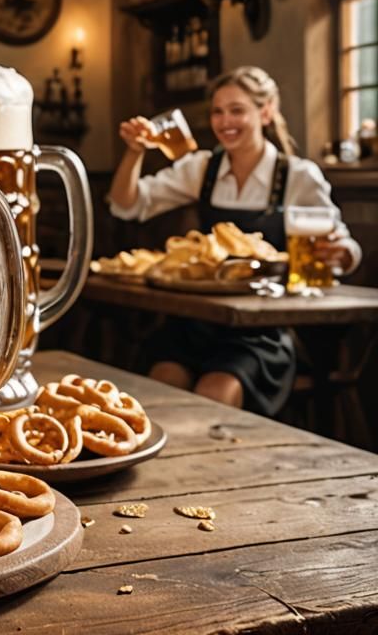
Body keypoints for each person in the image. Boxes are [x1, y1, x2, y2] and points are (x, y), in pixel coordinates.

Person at [107, 66, 362, 416]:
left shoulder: (298, 175)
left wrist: (341, 254)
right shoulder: (202, 168)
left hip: (264, 331)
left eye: (237, 110)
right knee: (162, 383)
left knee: (215, 391)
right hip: (200, 321)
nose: (225, 120)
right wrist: (135, 151)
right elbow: (127, 204)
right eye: (217, 111)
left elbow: (347, 248)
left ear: (266, 111)